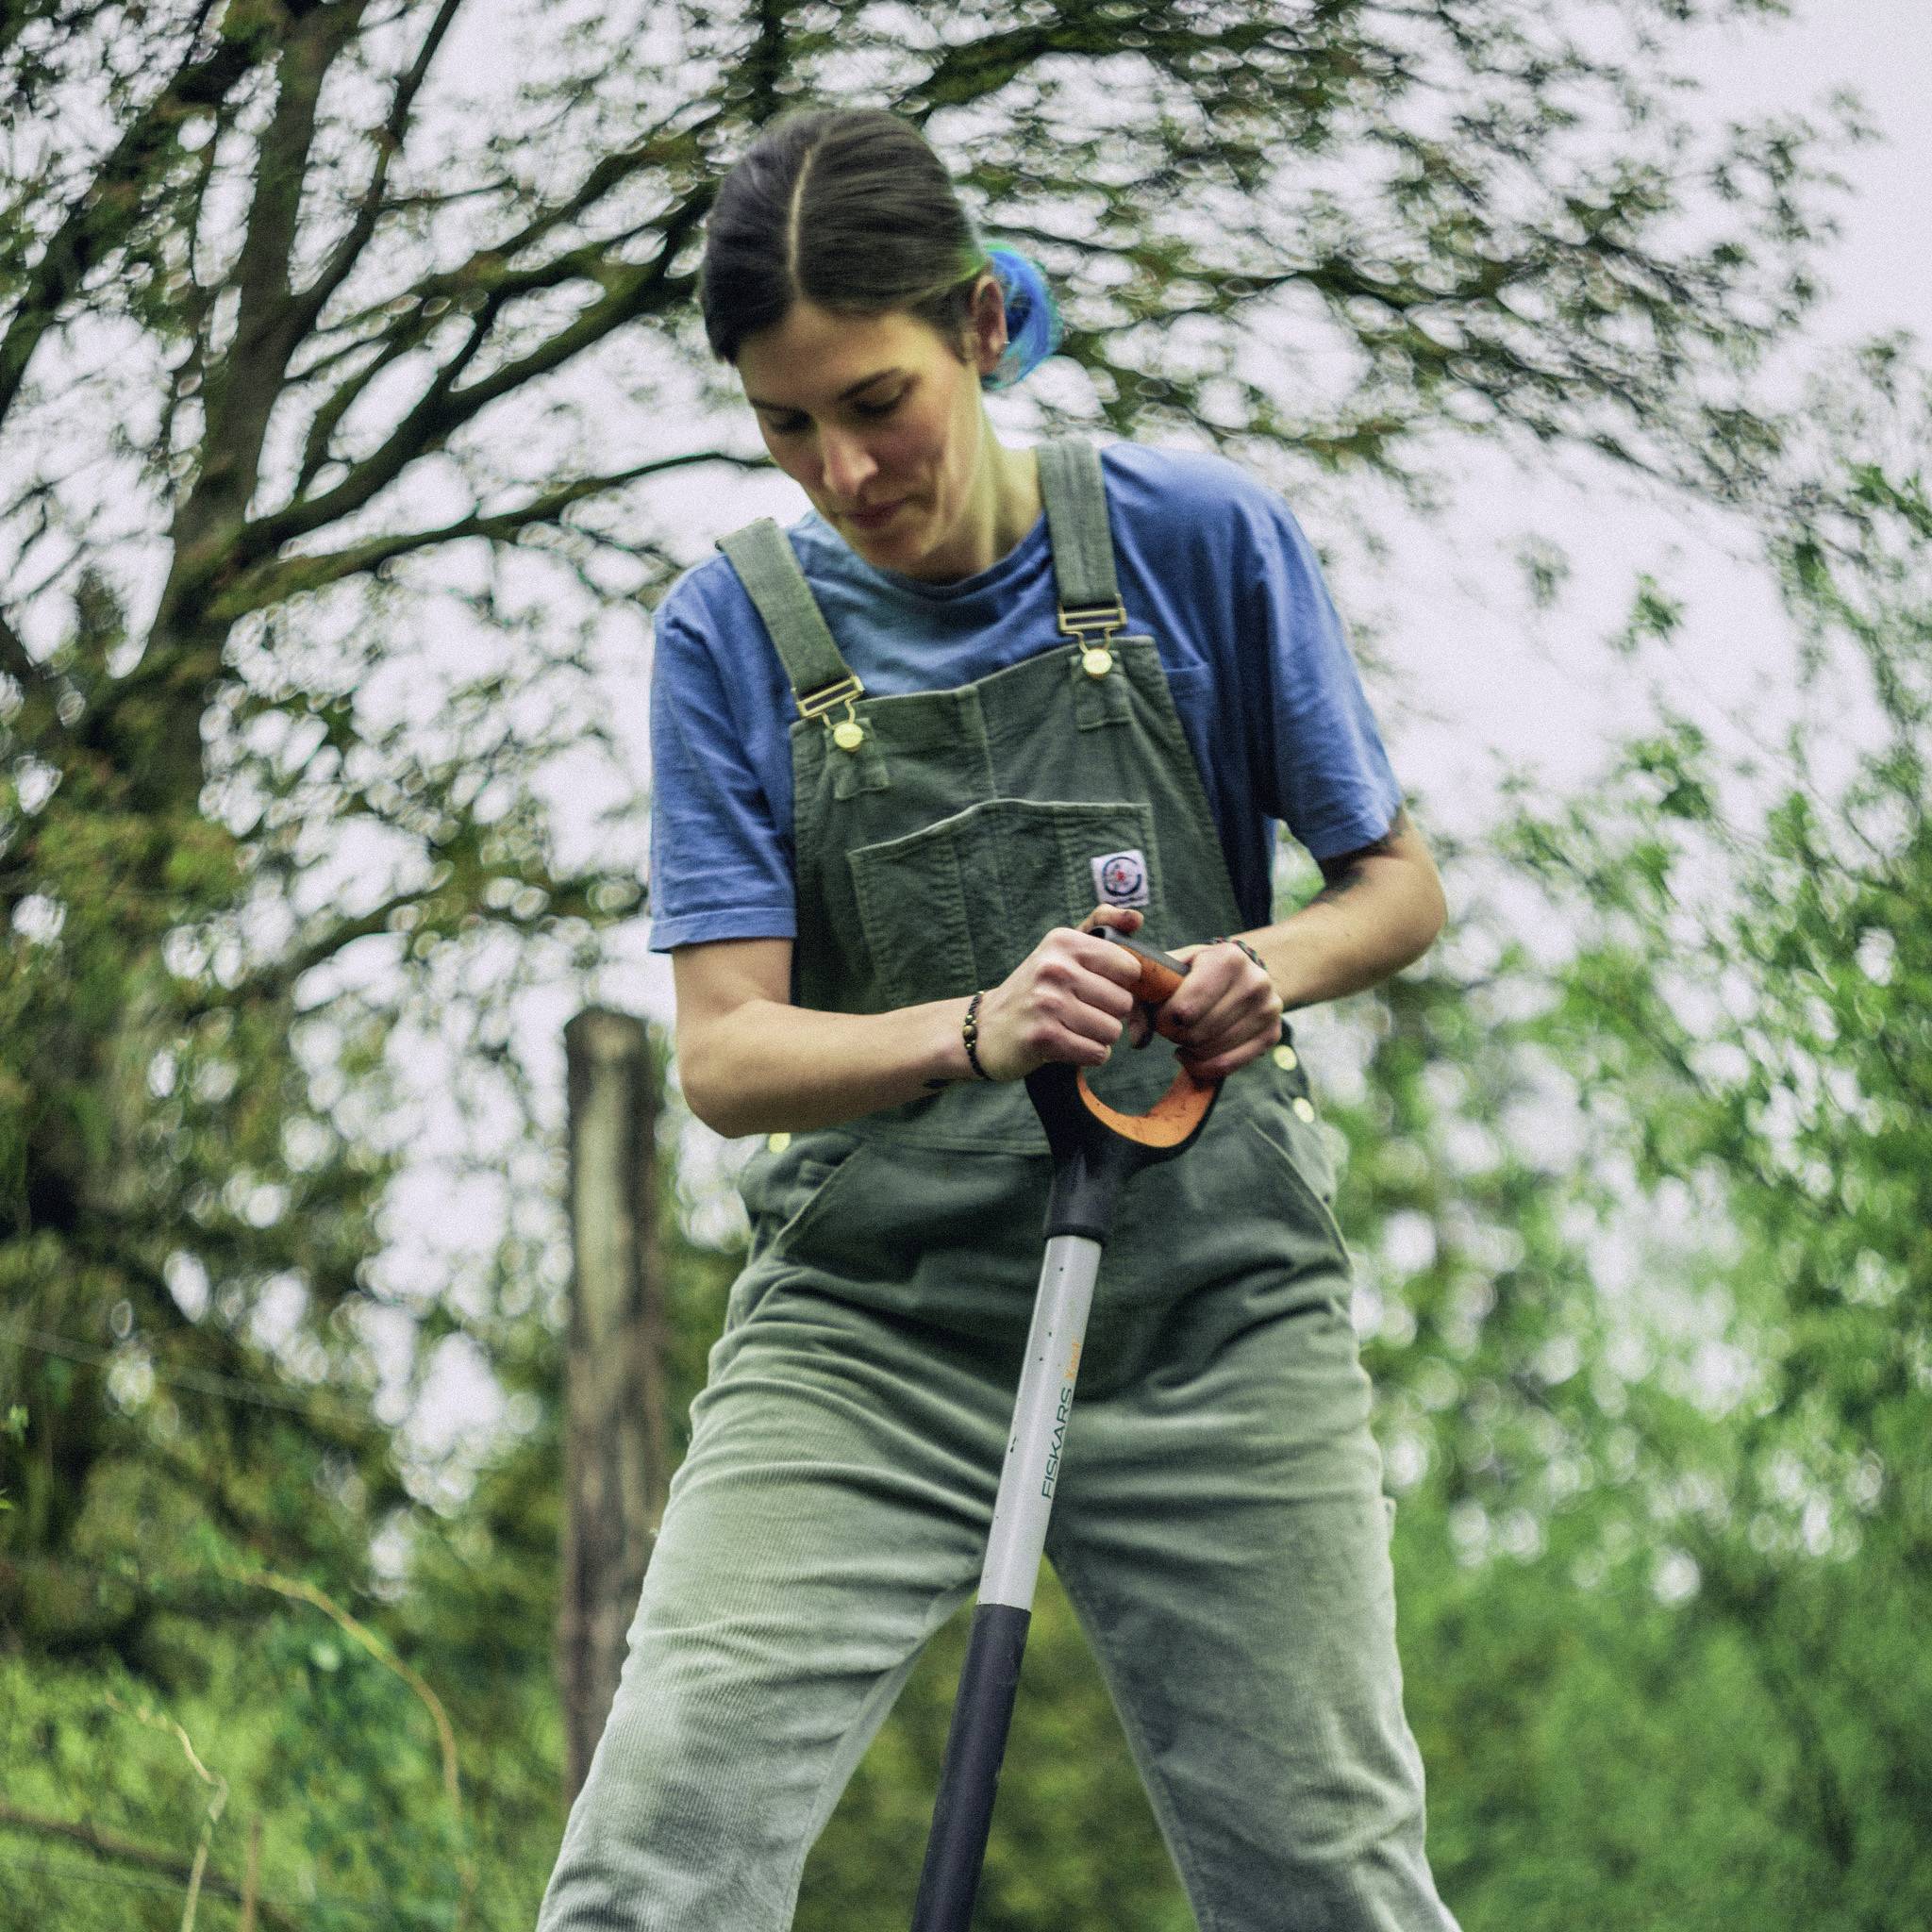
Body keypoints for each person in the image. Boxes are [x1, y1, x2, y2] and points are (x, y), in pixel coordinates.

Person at [535, 105, 1458, 1932]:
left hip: (1209, 1326)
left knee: (1328, 1892)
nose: (843, 471)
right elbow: (726, 1054)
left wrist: (1262, 966)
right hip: (872, 1335)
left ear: (976, 327)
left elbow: (1396, 887)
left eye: (873, 401)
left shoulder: (1202, 540)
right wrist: (974, 1025)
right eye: (785, 425)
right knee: (652, 1874)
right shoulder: (730, 631)